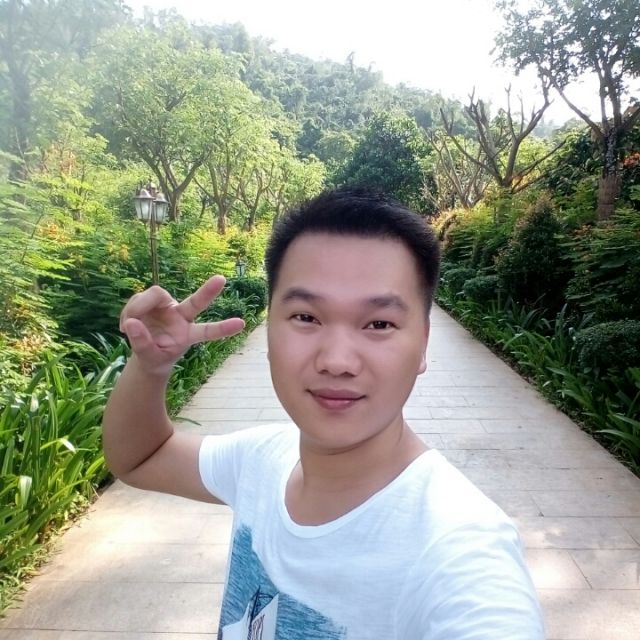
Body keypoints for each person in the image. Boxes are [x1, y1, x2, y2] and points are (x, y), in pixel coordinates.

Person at [103, 188, 545, 639]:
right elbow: (141, 457)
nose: (337, 361)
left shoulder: (459, 548)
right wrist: (150, 366)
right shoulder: (262, 460)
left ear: (424, 343)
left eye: (379, 324)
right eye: (306, 318)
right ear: (268, 328)